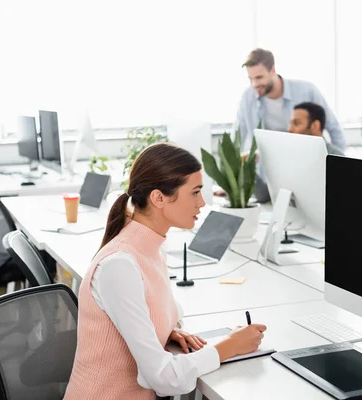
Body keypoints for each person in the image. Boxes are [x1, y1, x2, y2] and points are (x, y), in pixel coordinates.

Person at [64, 143, 267, 399]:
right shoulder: (119, 265)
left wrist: (163, 331)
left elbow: (155, 310)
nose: (202, 202)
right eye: (195, 193)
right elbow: (163, 378)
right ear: (158, 198)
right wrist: (229, 346)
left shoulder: (151, 247)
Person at [236, 48, 345, 202]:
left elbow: (333, 129)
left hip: (304, 169)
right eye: (250, 78)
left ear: (272, 70)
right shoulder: (248, 97)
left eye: (259, 77)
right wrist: (231, 181)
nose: (255, 84)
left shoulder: (307, 90)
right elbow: (238, 136)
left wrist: (340, 171)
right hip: (270, 171)